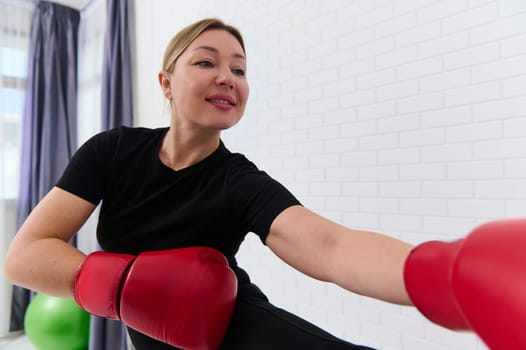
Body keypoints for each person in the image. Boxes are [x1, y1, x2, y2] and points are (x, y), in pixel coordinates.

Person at [3, 18, 521, 350]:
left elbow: (333, 248)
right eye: (206, 61)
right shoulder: (113, 150)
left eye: (240, 68)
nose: (228, 76)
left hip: (238, 330)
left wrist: (446, 278)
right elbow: (24, 257)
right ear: (166, 81)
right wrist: (131, 288)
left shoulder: (238, 180)